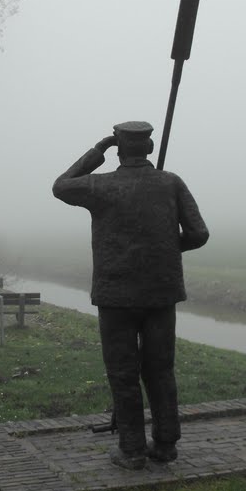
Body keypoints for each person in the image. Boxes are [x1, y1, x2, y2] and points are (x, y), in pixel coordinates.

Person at [52, 121, 209, 470]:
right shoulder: (171, 183)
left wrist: (97, 152)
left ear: (118, 149)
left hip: (116, 295)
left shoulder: (101, 185)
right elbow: (198, 233)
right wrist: (167, 251)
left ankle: (132, 449)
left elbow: (60, 186)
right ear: (149, 149)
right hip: (160, 293)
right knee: (160, 370)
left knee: (123, 373)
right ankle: (166, 444)